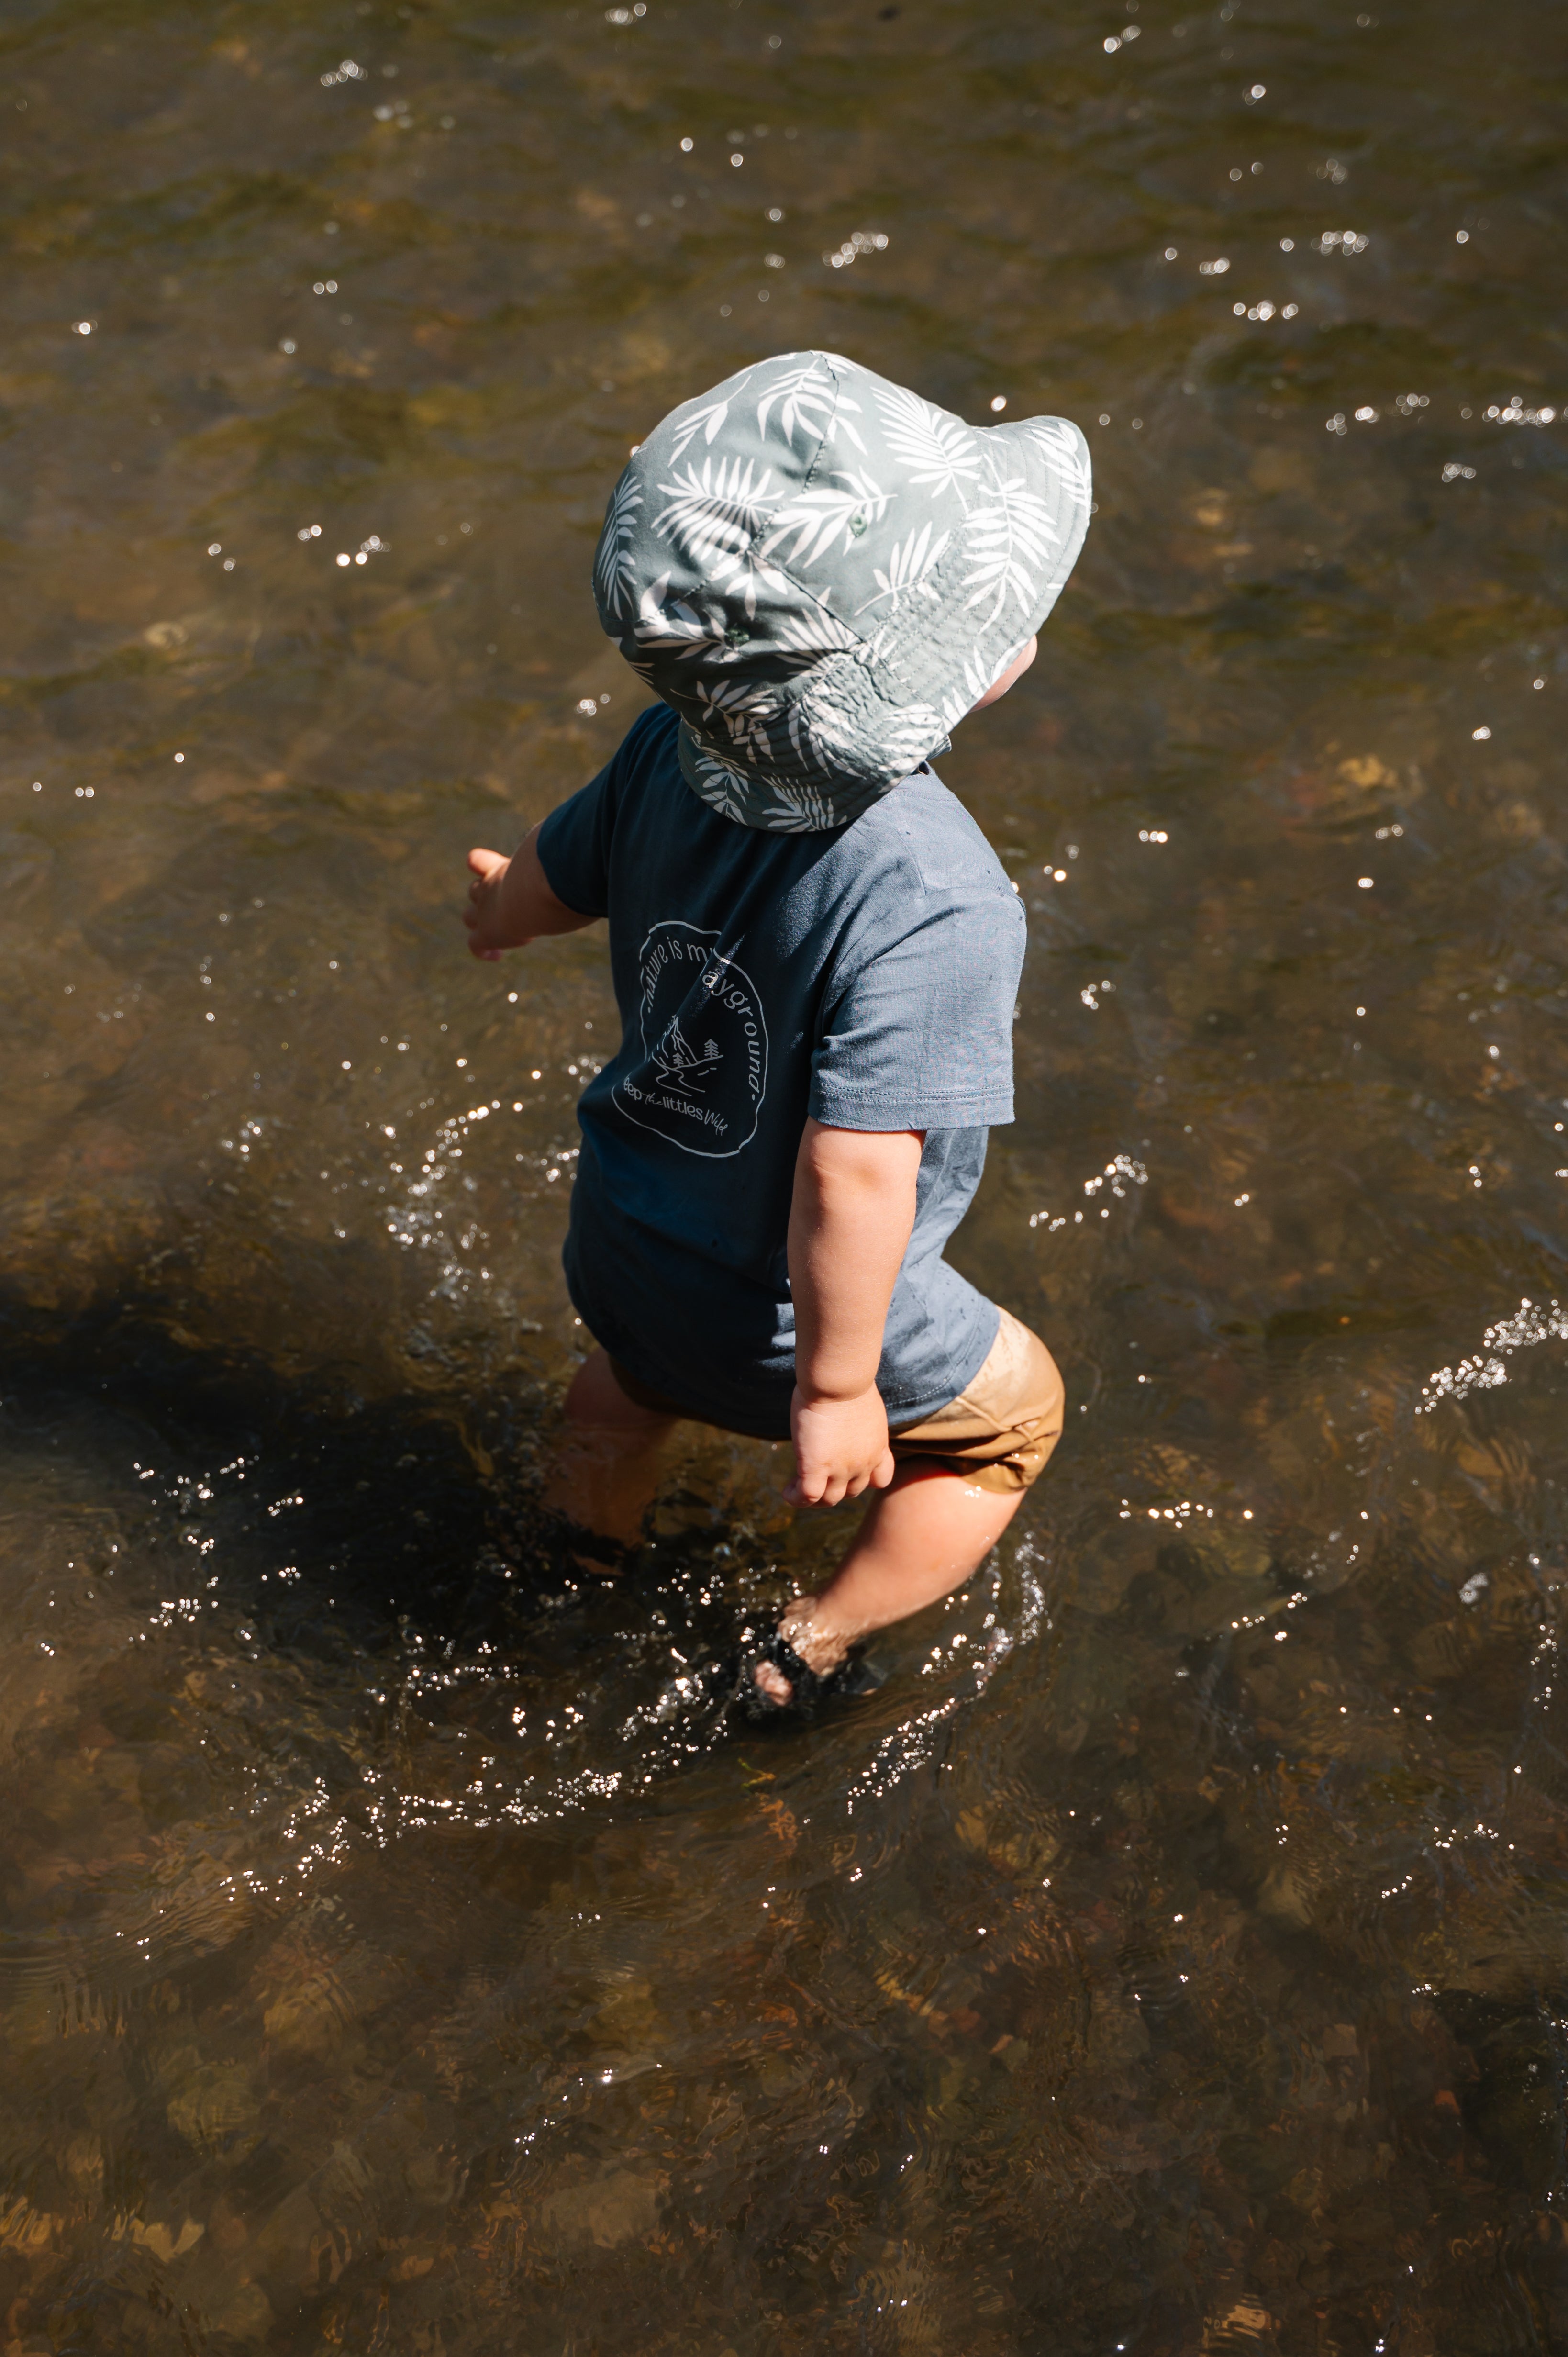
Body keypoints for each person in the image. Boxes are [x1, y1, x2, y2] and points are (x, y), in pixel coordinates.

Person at [461, 349, 1091, 1713]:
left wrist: (500, 912)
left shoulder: (659, 753)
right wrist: (838, 1389)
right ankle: (803, 1644)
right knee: (1012, 1423)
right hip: (783, 1317)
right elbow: (852, 1170)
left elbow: (552, 880)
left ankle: (570, 1567)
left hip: (624, 1234)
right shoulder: (942, 897)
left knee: (622, 1397)